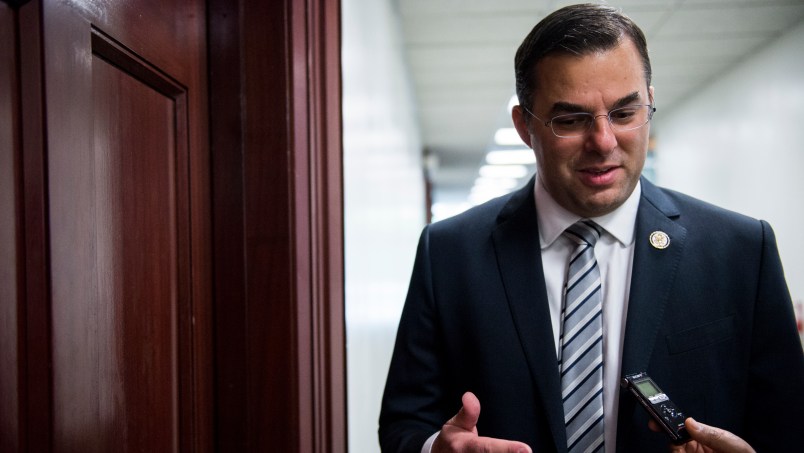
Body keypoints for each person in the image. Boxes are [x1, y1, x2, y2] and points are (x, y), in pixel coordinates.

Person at [378, 3, 804, 453]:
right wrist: (435, 449)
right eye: (571, 120)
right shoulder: (449, 254)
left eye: (624, 113)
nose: (603, 142)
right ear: (525, 126)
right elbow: (404, 425)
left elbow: (789, 428)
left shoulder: (739, 250)